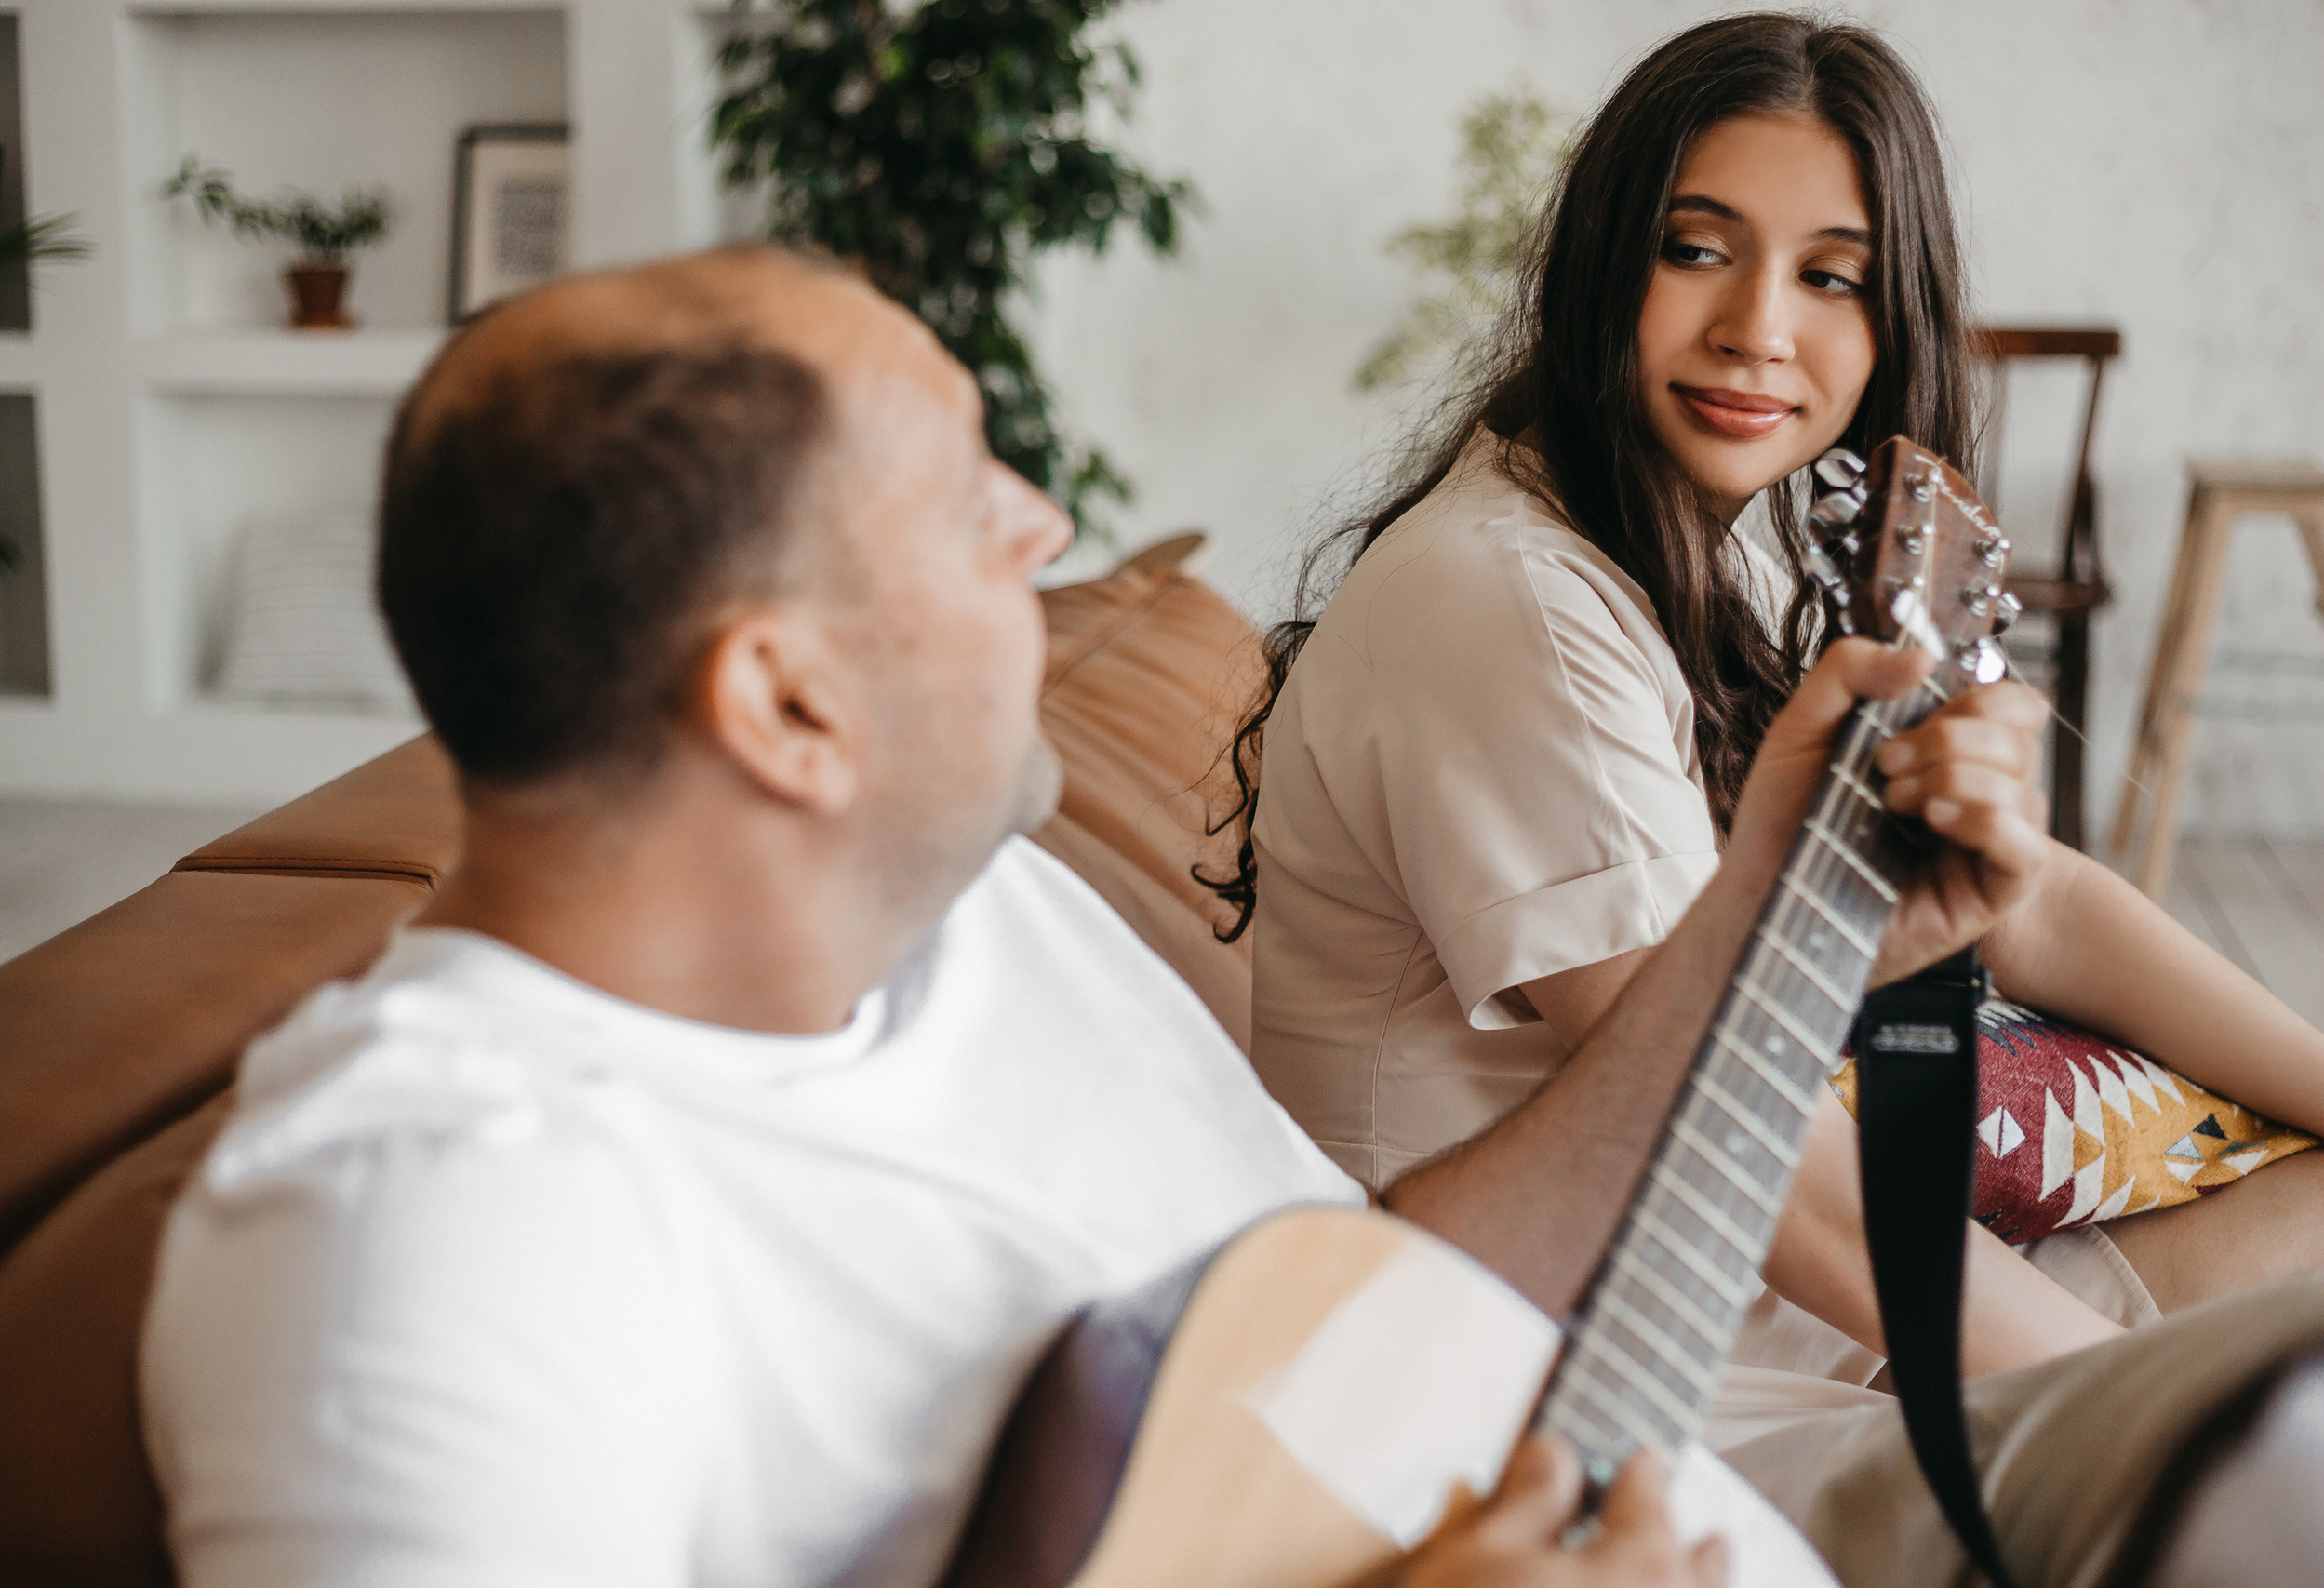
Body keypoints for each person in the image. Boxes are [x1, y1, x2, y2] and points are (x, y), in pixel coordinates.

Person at [137, 245, 2323, 1588]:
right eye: (964, 488)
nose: (1049, 522)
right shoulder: (423, 1223)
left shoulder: (975, 914)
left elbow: (1368, 1301)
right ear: (784, 697)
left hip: (1711, 1492)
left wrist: (1770, 899)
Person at [1219, 13, 2324, 1447]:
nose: (1758, 326)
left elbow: (2033, 899)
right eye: (1696, 247)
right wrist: (2139, 1428)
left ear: (1893, 319)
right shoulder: (1517, 606)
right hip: (1604, 1382)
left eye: (1832, 277)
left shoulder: (1699, 537)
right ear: (1604, 259)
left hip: (1759, 1298)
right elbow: (1739, 1149)